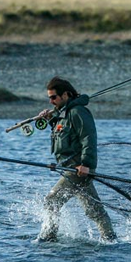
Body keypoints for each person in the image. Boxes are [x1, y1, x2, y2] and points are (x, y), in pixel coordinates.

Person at [37, 76, 116, 242]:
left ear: (65, 95)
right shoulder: (64, 113)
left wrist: (86, 164)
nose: (51, 101)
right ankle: (110, 240)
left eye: (54, 97)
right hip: (70, 169)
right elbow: (64, 133)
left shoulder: (78, 112)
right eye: (49, 97)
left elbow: (89, 138)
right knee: (94, 209)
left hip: (77, 168)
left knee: (51, 201)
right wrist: (50, 120)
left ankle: (48, 238)